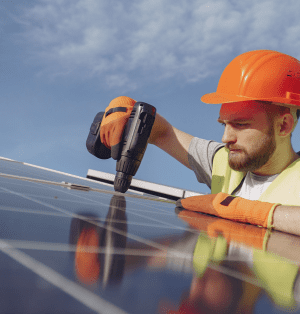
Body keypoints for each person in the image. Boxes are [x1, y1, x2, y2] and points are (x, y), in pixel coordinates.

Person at [95, 49, 300, 236]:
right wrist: (128, 109)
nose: (226, 138)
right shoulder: (223, 161)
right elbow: (163, 133)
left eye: (240, 124)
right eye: (223, 124)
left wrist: (243, 210)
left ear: (283, 126)